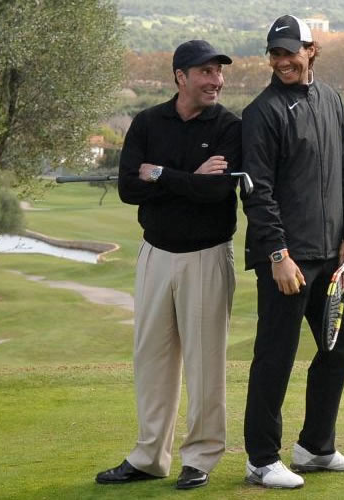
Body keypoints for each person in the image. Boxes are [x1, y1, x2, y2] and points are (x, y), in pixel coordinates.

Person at [95, 40, 241, 491]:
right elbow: (127, 187)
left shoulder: (229, 127)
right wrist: (189, 179)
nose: (216, 81)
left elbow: (217, 192)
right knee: (152, 360)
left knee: (204, 363)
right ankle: (149, 456)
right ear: (181, 76)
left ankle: (200, 457)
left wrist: (159, 174)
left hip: (206, 256)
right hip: (155, 254)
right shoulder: (147, 122)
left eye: (219, 73)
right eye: (206, 72)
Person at [240, 15, 344, 489]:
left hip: (330, 255)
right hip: (287, 260)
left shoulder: (330, 99)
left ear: (312, 51)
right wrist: (277, 255)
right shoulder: (263, 112)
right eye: (274, 53)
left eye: (290, 52)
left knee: (340, 343)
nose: (282, 60)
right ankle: (261, 459)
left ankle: (315, 447)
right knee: (276, 353)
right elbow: (257, 192)